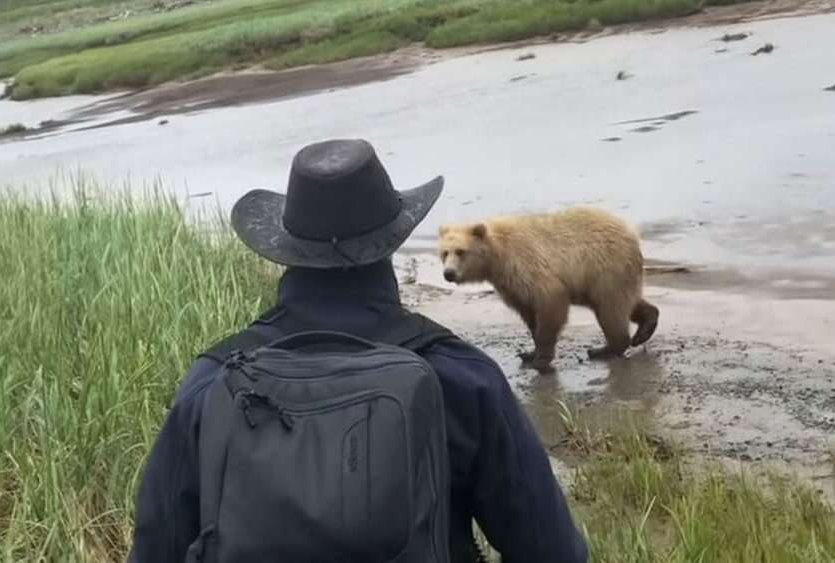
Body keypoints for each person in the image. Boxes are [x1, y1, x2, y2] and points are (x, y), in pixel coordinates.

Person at [127, 139, 588, 563]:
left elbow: (155, 548)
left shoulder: (212, 384)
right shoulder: (463, 376)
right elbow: (553, 551)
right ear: (392, 242)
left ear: (287, 251)